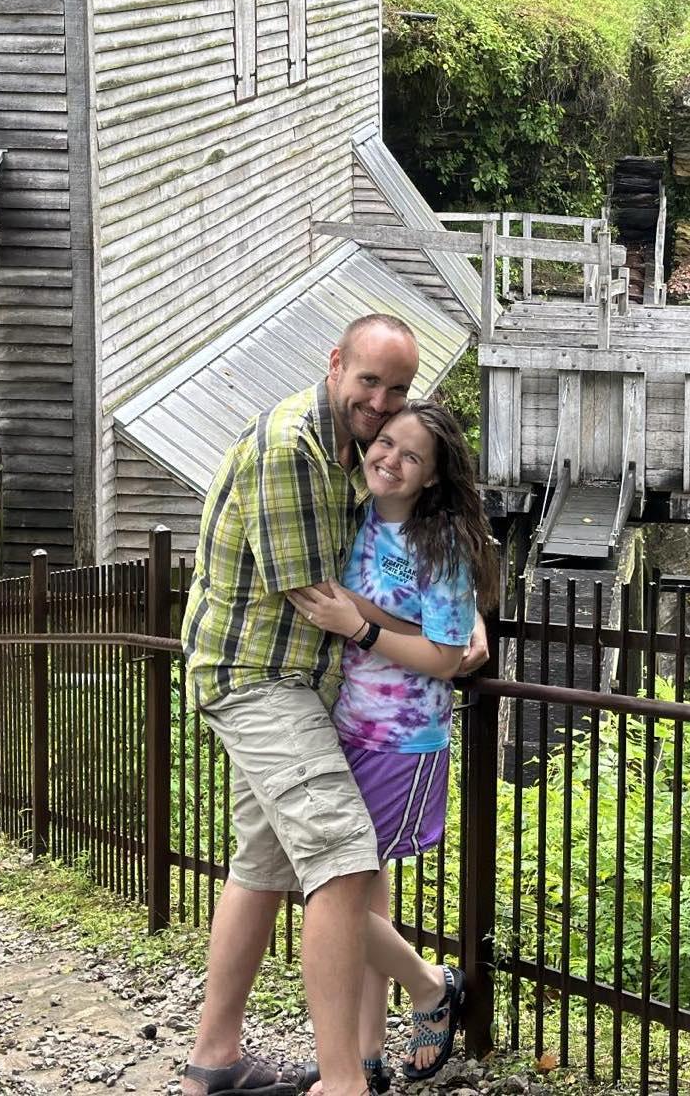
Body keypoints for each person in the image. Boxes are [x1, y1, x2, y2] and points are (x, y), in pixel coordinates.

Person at [178, 314, 437, 1096]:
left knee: (262, 868)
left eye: (397, 389)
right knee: (344, 857)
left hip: (296, 682)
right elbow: (322, 596)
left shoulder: (358, 445)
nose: (381, 402)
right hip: (259, 676)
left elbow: (407, 528)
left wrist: (463, 609)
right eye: (369, 381)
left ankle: (213, 1064)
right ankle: (343, 1081)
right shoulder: (292, 447)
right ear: (335, 365)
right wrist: (438, 636)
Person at [286, 402, 501, 1089]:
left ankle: (429, 985)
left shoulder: (439, 546)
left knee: (334, 891)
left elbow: (445, 657)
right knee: (360, 888)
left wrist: (358, 626)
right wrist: (357, 617)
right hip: (342, 723)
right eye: (385, 443)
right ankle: (368, 1051)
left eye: (411, 456)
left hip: (402, 743)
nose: (390, 460)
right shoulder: (355, 514)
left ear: (432, 477)